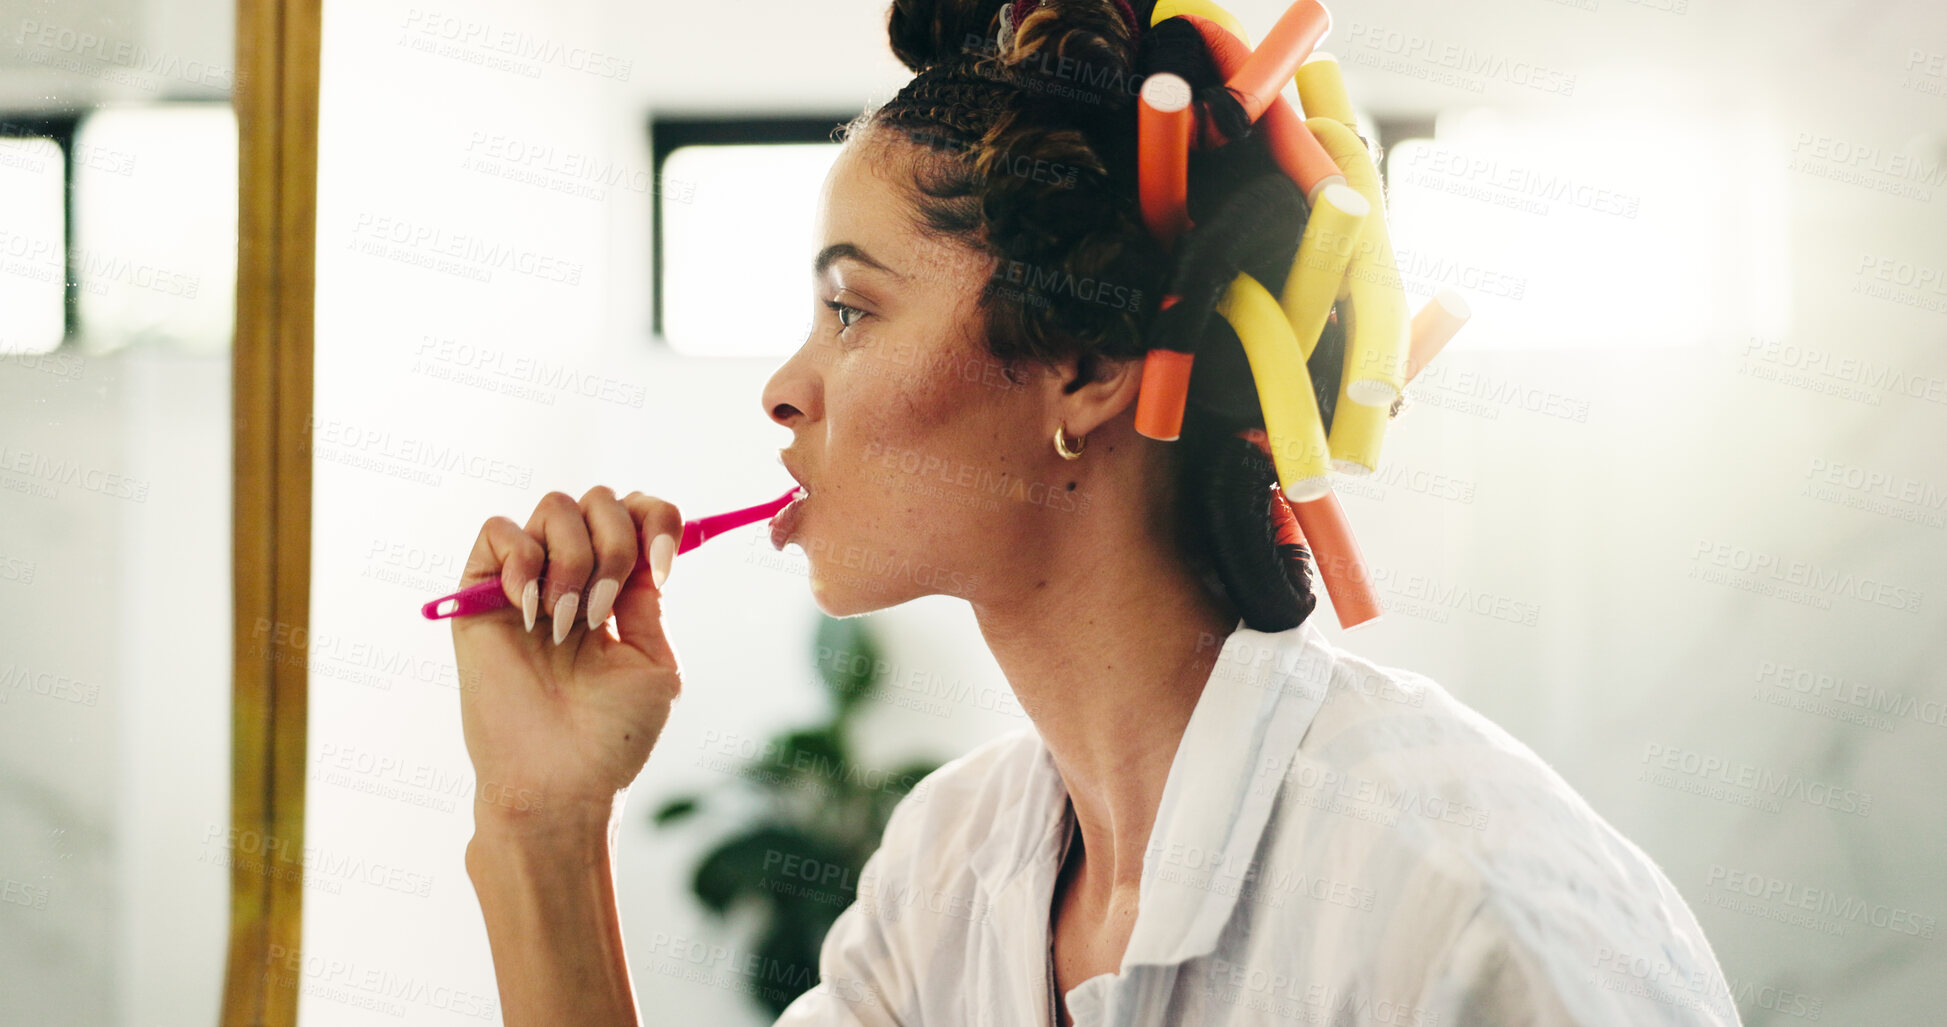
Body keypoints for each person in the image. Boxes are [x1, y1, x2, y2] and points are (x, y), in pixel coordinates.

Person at [452, 1, 1741, 1024]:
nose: (788, 390)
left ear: (1089, 365)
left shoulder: (1458, 918)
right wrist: (539, 828)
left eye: (853, 310)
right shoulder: (945, 876)